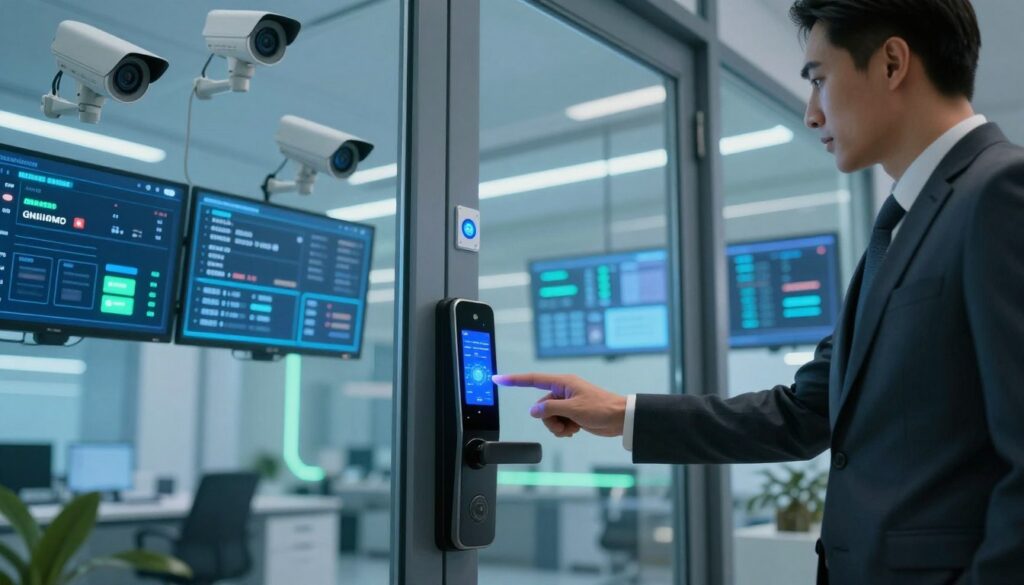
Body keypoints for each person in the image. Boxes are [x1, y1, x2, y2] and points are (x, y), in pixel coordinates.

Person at [493, 1, 1024, 583]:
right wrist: (621, 413)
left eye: (820, 80)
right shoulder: (904, 224)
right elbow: (803, 413)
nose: (811, 114)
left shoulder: (1000, 192)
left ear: (892, 62)